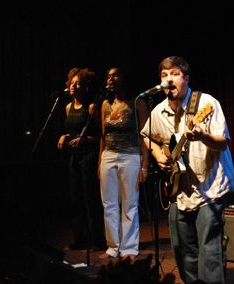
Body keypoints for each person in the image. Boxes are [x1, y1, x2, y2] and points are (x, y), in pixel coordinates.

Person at [140, 56, 234, 284]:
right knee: (182, 250)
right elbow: (146, 136)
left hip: (210, 187)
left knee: (209, 250)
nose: (168, 79)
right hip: (180, 190)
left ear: (186, 78)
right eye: (163, 75)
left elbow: (223, 142)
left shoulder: (206, 104)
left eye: (174, 74)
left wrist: (203, 136)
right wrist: (157, 154)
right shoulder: (159, 110)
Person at [97, 67, 149, 261]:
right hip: (108, 156)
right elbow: (103, 135)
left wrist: (145, 164)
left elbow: (145, 136)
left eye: (115, 75)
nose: (111, 78)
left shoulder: (137, 102)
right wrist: (100, 160)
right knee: (109, 203)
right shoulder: (104, 104)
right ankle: (112, 246)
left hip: (130, 156)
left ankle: (128, 247)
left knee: (129, 203)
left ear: (124, 79)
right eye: (108, 75)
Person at [56, 67, 106, 251]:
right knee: (75, 198)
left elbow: (102, 135)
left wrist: (85, 139)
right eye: (71, 82)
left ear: (85, 86)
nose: (73, 86)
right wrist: (64, 136)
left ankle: (97, 240)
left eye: (78, 83)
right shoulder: (68, 107)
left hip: (89, 156)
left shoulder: (92, 107)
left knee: (90, 198)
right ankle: (80, 239)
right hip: (73, 157)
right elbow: (71, 131)